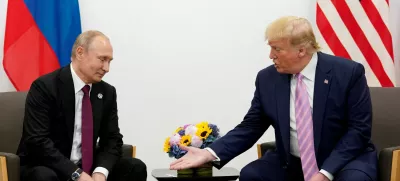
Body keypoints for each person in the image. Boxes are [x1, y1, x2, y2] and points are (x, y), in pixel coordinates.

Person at [170, 16, 377, 181]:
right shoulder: (268, 78)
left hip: (344, 161)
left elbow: (358, 130)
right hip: (293, 162)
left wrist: (325, 172)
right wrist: (210, 153)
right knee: (252, 175)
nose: (271, 55)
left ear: (301, 50)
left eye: (277, 49)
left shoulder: (348, 73)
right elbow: (250, 126)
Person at [17, 30, 147, 181]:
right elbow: (37, 141)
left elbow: (112, 139)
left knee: (134, 167)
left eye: (109, 61)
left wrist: (100, 172)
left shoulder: (107, 92)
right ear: (80, 53)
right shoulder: (45, 87)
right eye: (102, 59)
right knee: (44, 176)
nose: (106, 68)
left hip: (89, 169)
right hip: (49, 166)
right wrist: (76, 174)